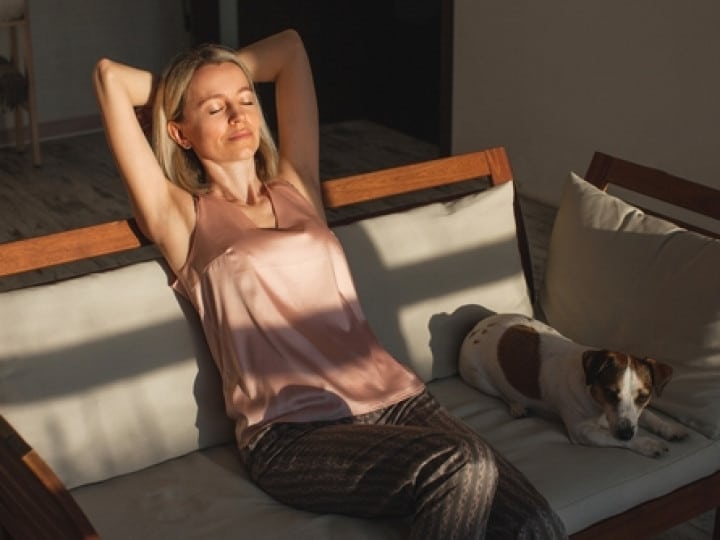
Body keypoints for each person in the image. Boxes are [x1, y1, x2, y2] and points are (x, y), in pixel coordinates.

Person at [93, 29, 567, 539]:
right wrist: (189, 83)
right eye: (214, 109)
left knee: (538, 525)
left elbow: (291, 50)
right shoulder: (182, 217)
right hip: (293, 433)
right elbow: (109, 78)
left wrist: (217, 75)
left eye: (246, 99)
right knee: (462, 464)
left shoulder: (297, 185)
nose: (238, 115)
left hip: (398, 399)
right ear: (180, 133)